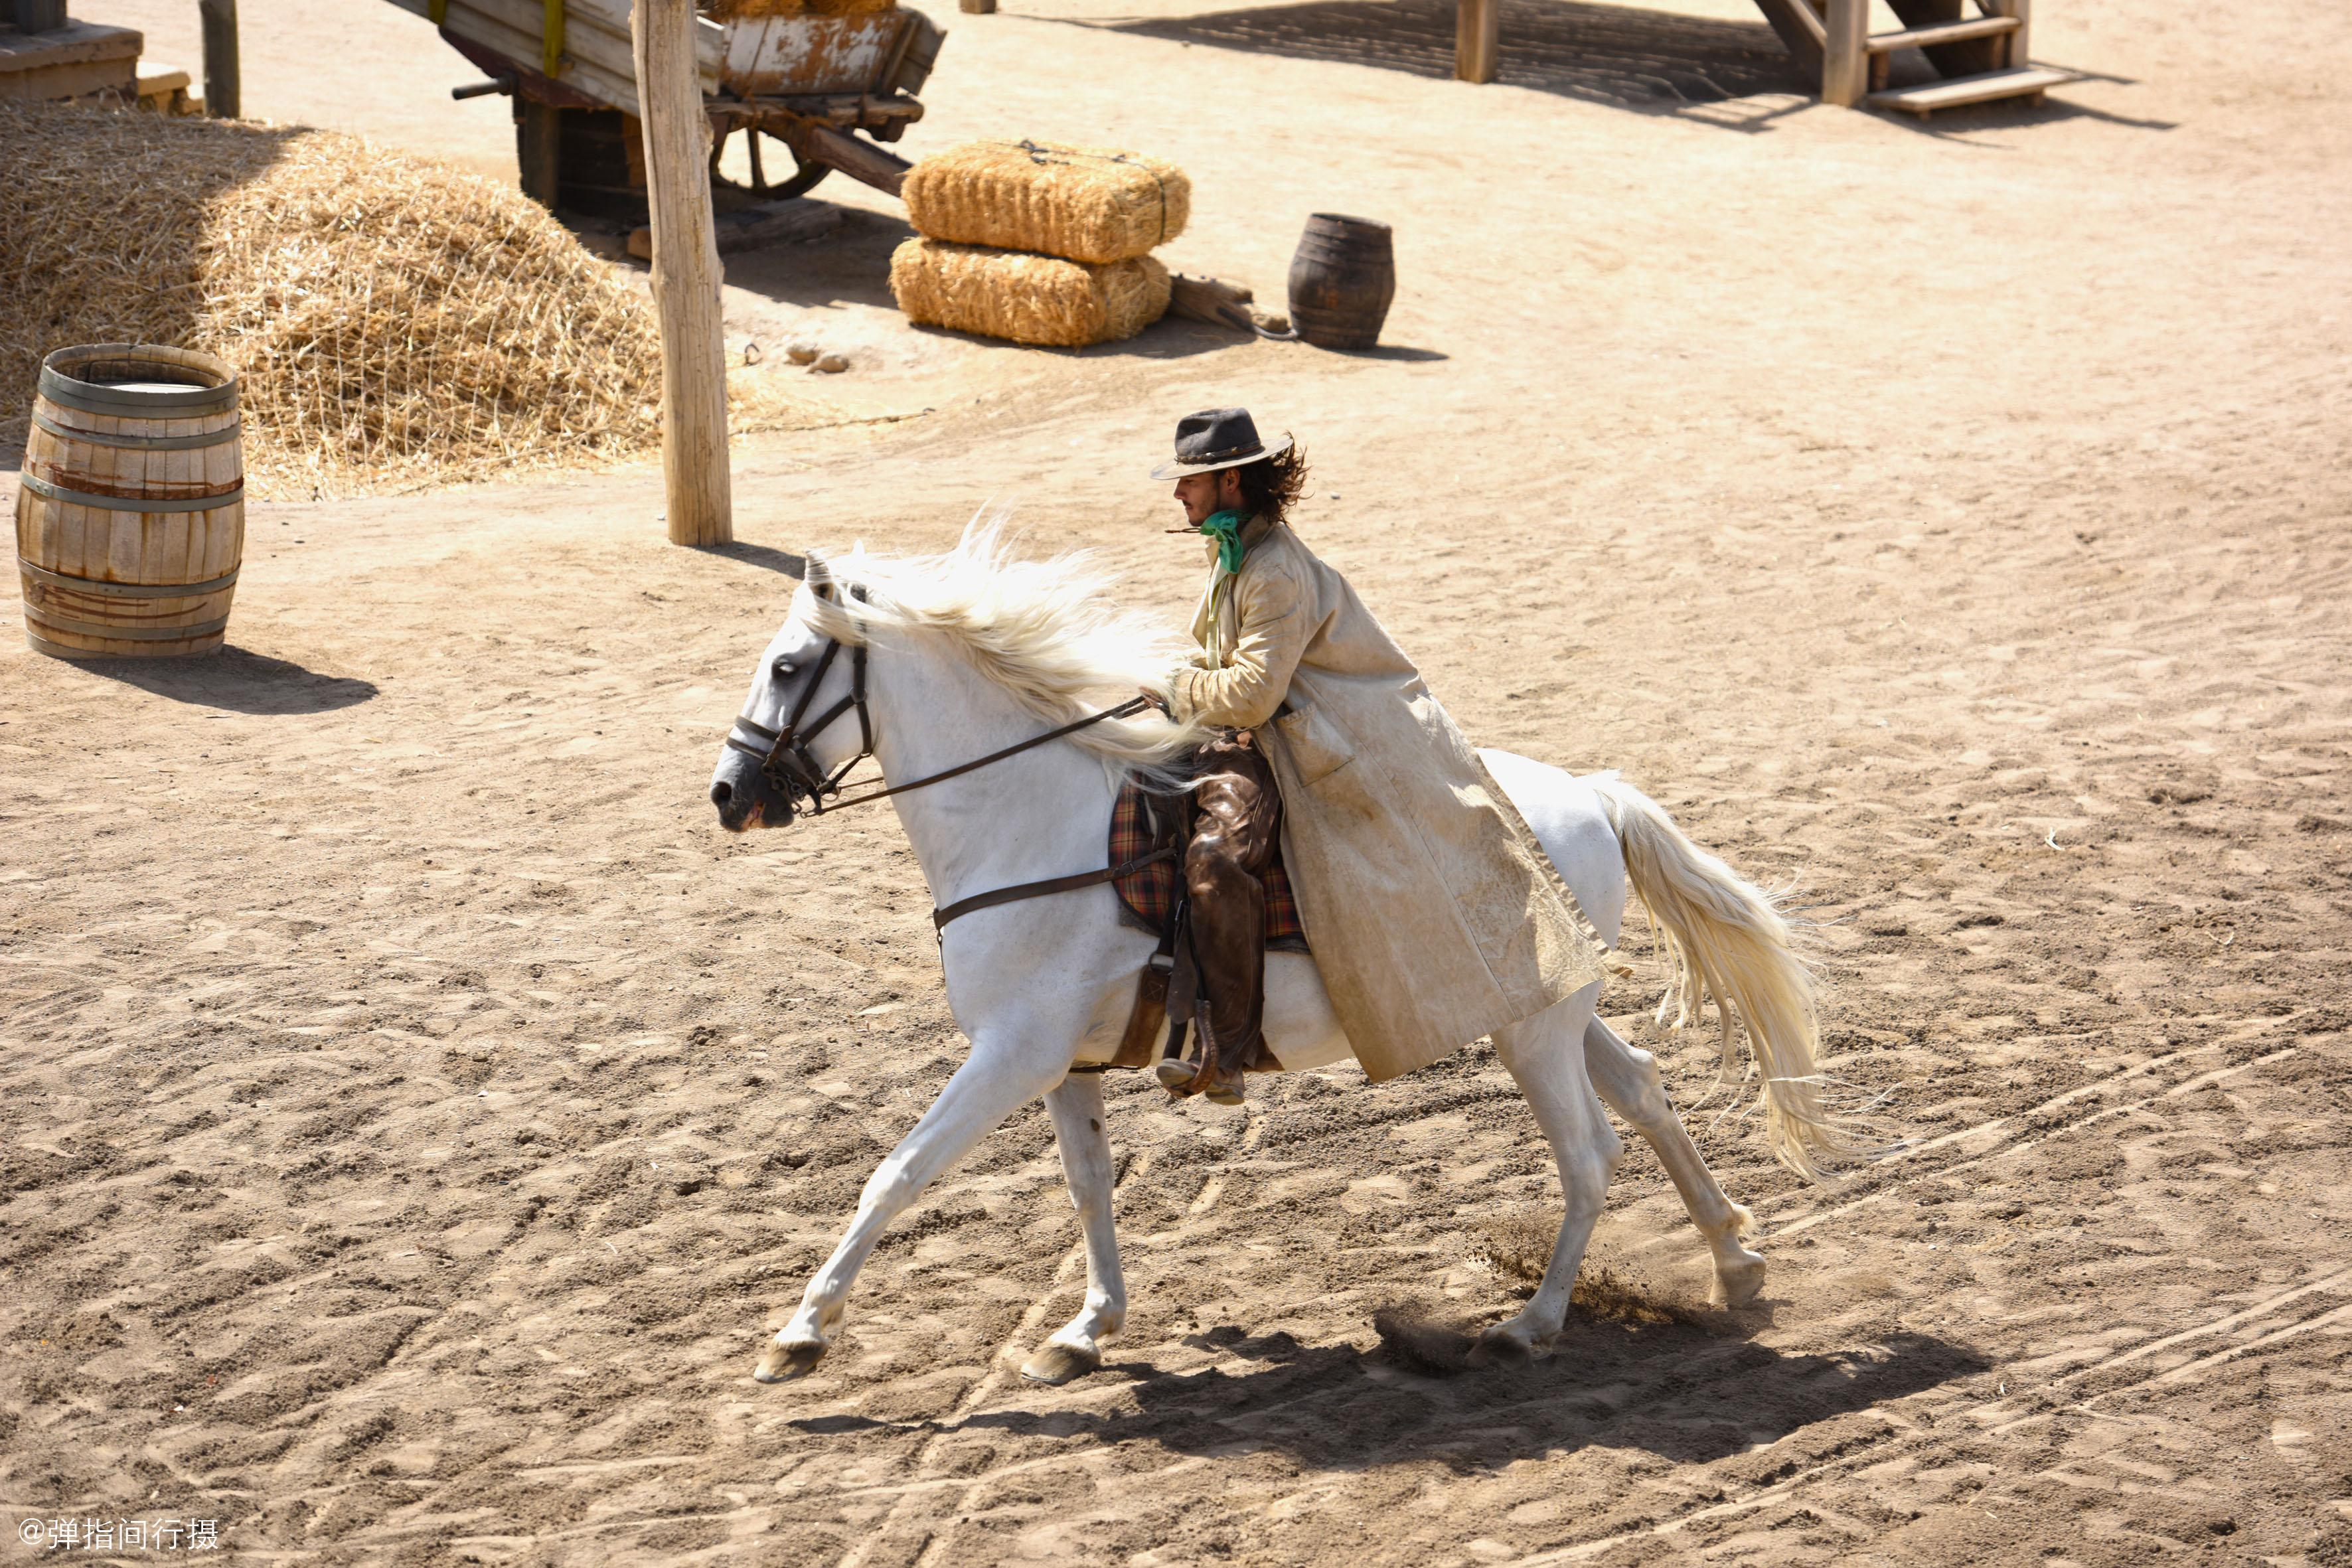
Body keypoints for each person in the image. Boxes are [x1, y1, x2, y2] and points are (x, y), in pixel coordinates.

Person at [1146, 408, 1609, 1107]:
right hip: (1254, 728)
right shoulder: (1228, 551)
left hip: (1311, 740)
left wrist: (1174, 685)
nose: (1179, 493)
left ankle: (1232, 1044)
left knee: (1215, 861)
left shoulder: (1276, 572)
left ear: (1229, 480)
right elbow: (1219, 659)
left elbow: (1248, 696)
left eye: (1189, 480)